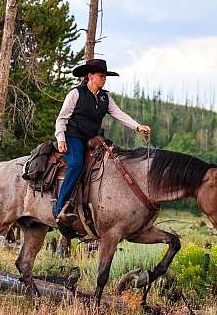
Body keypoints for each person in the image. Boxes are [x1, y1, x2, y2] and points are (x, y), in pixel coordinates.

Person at [53, 58, 150, 223]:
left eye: (105, 76)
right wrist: (61, 138)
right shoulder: (76, 93)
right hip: (73, 137)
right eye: (101, 76)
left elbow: (119, 114)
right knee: (76, 164)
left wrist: (137, 126)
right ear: (90, 76)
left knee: (113, 162)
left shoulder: (105, 98)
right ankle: (59, 209)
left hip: (93, 139)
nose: (104, 79)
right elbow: (61, 119)